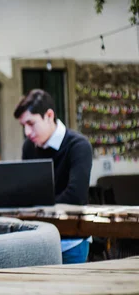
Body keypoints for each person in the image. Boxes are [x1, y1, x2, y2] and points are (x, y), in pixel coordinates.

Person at [14, 89, 93, 264]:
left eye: (31, 123)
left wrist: (35, 208)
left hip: (71, 240)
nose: (27, 132)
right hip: (37, 239)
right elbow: (27, 192)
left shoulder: (79, 146)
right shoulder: (29, 146)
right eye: (23, 126)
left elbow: (75, 197)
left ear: (49, 115)